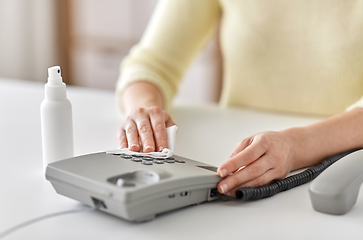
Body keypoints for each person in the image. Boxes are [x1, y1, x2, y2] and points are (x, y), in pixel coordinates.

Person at [116, 0, 363, 196]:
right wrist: (145, 111)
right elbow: (152, 63)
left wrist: (297, 145)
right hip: (238, 160)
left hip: (345, 166)